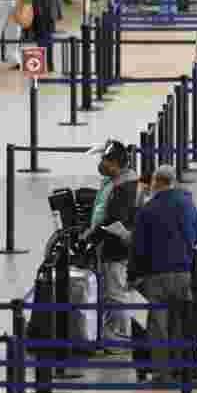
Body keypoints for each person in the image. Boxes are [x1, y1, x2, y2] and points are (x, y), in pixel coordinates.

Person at [130, 165, 197, 384]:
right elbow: (195, 236)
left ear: (157, 183)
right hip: (183, 273)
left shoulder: (147, 209)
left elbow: (138, 247)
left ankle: (162, 374)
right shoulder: (188, 204)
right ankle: (183, 369)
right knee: (181, 323)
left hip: (156, 275)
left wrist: (133, 275)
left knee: (158, 327)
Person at [83, 141, 140, 342]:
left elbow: (114, 219)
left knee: (116, 294)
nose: (101, 164)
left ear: (116, 163)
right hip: (111, 245)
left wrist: (91, 236)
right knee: (112, 292)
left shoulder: (125, 186)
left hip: (117, 248)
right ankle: (113, 333)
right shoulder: (116, 180)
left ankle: (121, 336)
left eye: (105, 160)